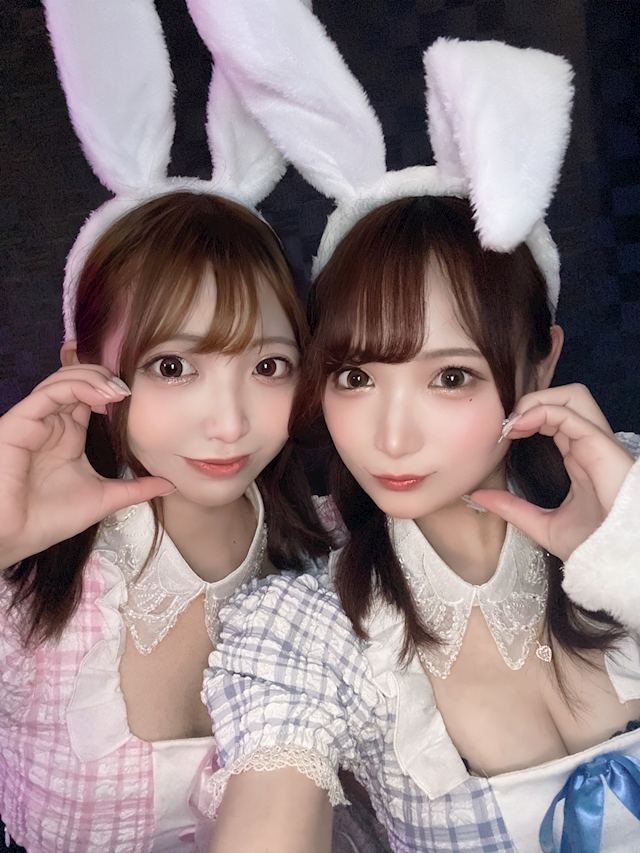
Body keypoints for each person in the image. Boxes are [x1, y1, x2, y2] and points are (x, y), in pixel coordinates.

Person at [189, 18, 640, 850]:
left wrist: (627, 556)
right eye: (356, 377)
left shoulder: (629, 490)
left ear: (541, 364)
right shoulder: (313, 628)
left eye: (451, 377)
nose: (390, 438)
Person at [0, 189, 331, 853]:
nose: (229, 423)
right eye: (173, 367)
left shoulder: (334, 553)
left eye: (268, 366)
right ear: (85, 371)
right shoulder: (28, 577)